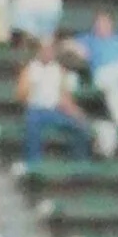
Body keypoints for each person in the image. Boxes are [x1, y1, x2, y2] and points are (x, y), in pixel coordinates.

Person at [16, 39, 92, 169]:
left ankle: (80, 163)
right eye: (45, 50)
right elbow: (20, 95)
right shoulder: (30, 69)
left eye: (50, 50)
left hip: (55, 109)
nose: (48, 53)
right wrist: (30, 89)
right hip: (36, 110)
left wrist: (75, 112)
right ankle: (34, 164)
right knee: (32, 126)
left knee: (80, 126)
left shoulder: (59, 70)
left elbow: (64, 95)